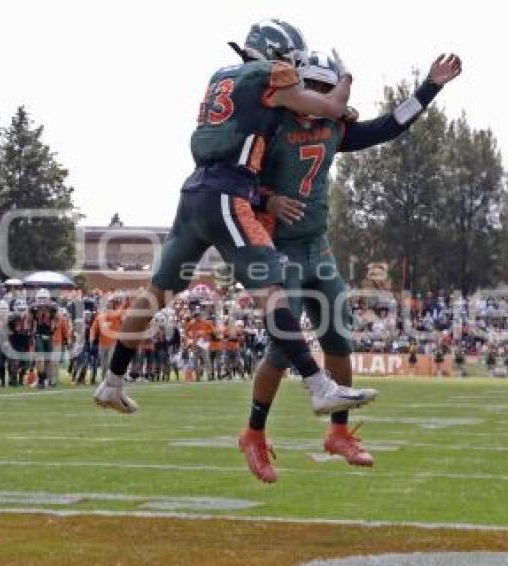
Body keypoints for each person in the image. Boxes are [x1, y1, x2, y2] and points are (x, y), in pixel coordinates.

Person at [93, 19, 378, 420]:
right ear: (276, 55)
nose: (294, 70)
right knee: (273, 289)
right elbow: (328, 107)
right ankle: (319, 387)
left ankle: (111, 381)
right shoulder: (270, 75)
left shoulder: (220, 77)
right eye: (291, 61)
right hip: (229, 193)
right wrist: (345, 79)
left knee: (156, 292)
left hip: (193, 192)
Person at [238, 50, 461, 481]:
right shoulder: (271, 124)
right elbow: (235, 180)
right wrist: (266, 199)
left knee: (338, 338)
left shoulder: (334, 127)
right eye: (314, 88)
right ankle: (254, 432)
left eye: (326, 89)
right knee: (283, 348)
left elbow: (392, 125)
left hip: (316, 248)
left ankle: (338, 432)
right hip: (278, 249)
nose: (320, 98)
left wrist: (430, 86)